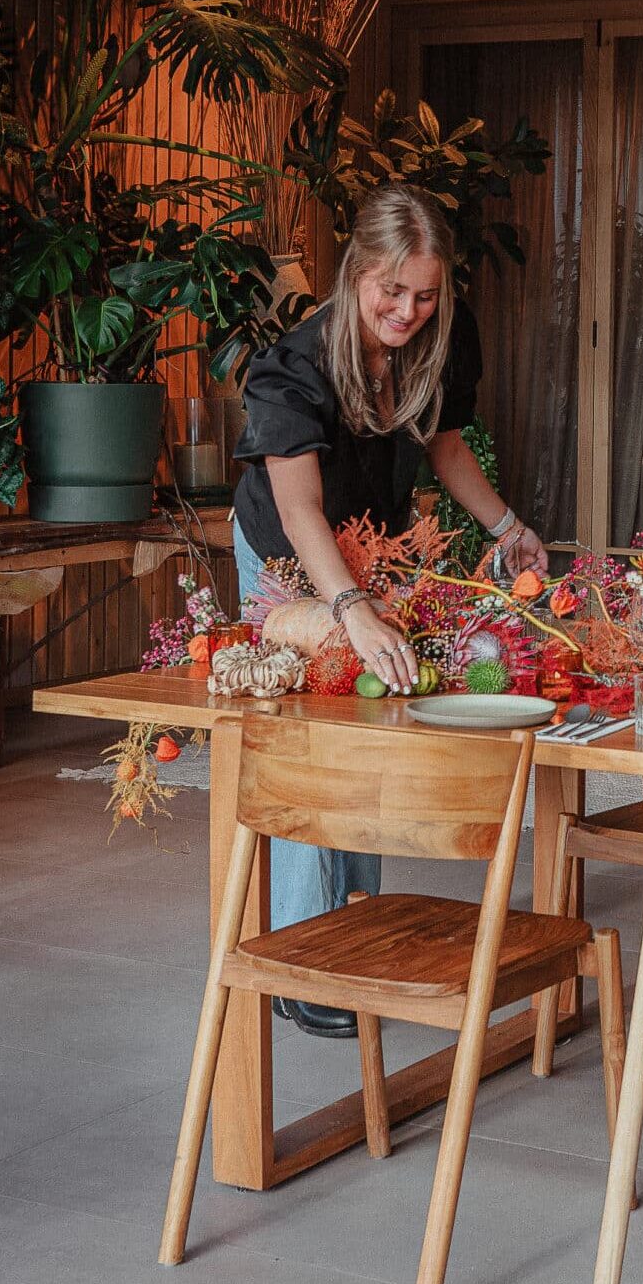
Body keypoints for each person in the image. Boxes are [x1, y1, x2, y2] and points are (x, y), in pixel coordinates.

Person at [232, 184, 547, 1037]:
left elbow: (444, 445)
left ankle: (355, 937)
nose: (408, 311)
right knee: (307, 747)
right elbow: (299, 513)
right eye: (390, 293)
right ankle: (304, 960)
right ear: (356, 274)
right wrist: (351, 608)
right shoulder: (292, 366)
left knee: (367, 731)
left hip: (371, 544)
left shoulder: (444, 339)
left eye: (425, 294)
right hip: (293, 553)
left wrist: (507, 526)